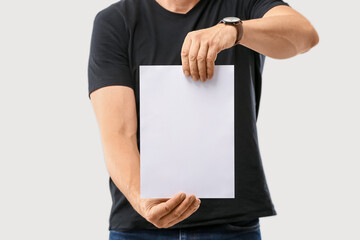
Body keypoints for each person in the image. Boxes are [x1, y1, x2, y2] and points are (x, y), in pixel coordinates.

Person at [87, 0, 319, 239]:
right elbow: (118, 133)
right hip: (140, 227)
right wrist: (142, 201)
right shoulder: (116, 21)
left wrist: (234, 31)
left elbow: (305, 35)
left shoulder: (243, 5)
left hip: (232, 226)